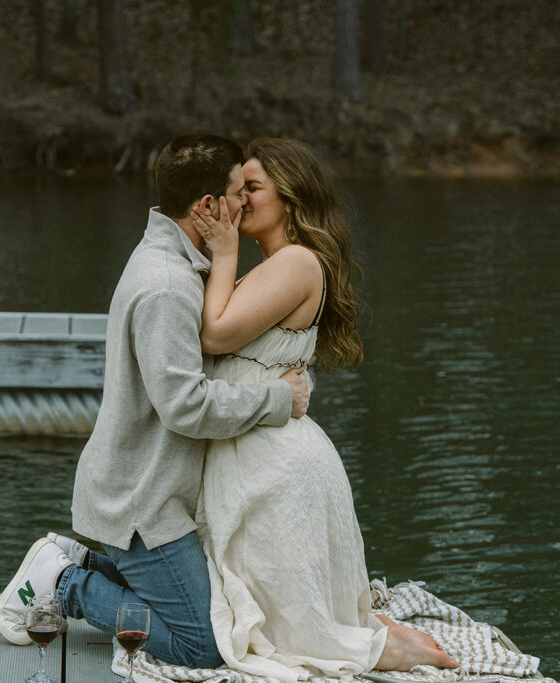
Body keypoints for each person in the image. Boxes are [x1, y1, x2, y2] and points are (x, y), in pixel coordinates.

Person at [0, 134, 311, 669]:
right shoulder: (167, 284)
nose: (244, 203)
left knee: (219, 609)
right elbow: (185, 406)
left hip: (153, 493)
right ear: (207, 206)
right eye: (237, 193)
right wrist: (278, 398)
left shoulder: (183, 264)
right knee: (203, 646)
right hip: (144, 504)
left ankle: (74, 559)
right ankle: (63, 583)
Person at [190, 138, 460, 680]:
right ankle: (384, 636)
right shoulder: (277, 264)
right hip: (261, 453)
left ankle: (386, 647)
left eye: (252, 189)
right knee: (278, 610)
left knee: (288, 633)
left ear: (289, 199)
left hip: (274, 464)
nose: (238, 200)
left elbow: (215, 335)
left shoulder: (295, 261)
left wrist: (222, 252)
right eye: (236, 188)